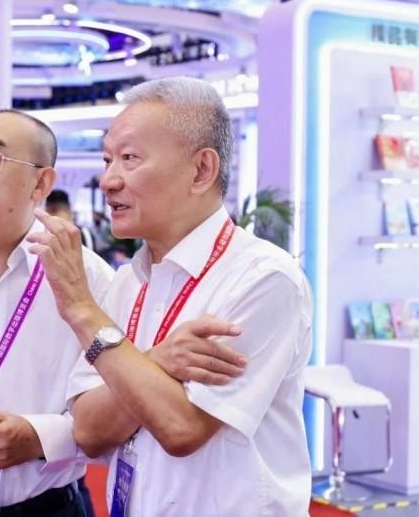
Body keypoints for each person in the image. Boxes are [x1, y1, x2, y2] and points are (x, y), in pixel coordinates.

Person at [0, 109, 244, 517]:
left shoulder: (89, 280)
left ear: (41, 183)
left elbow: (116, 411)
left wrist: (37, 438)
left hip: (47, 507)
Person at [28, 76, 313, 516]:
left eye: (129, 158)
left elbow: (181, 428)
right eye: (107, 159)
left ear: (201, 170)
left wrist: (82, 308)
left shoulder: (263, 278)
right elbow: (89, 430)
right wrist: (158, 361)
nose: (108, 180)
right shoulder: (130, 281)